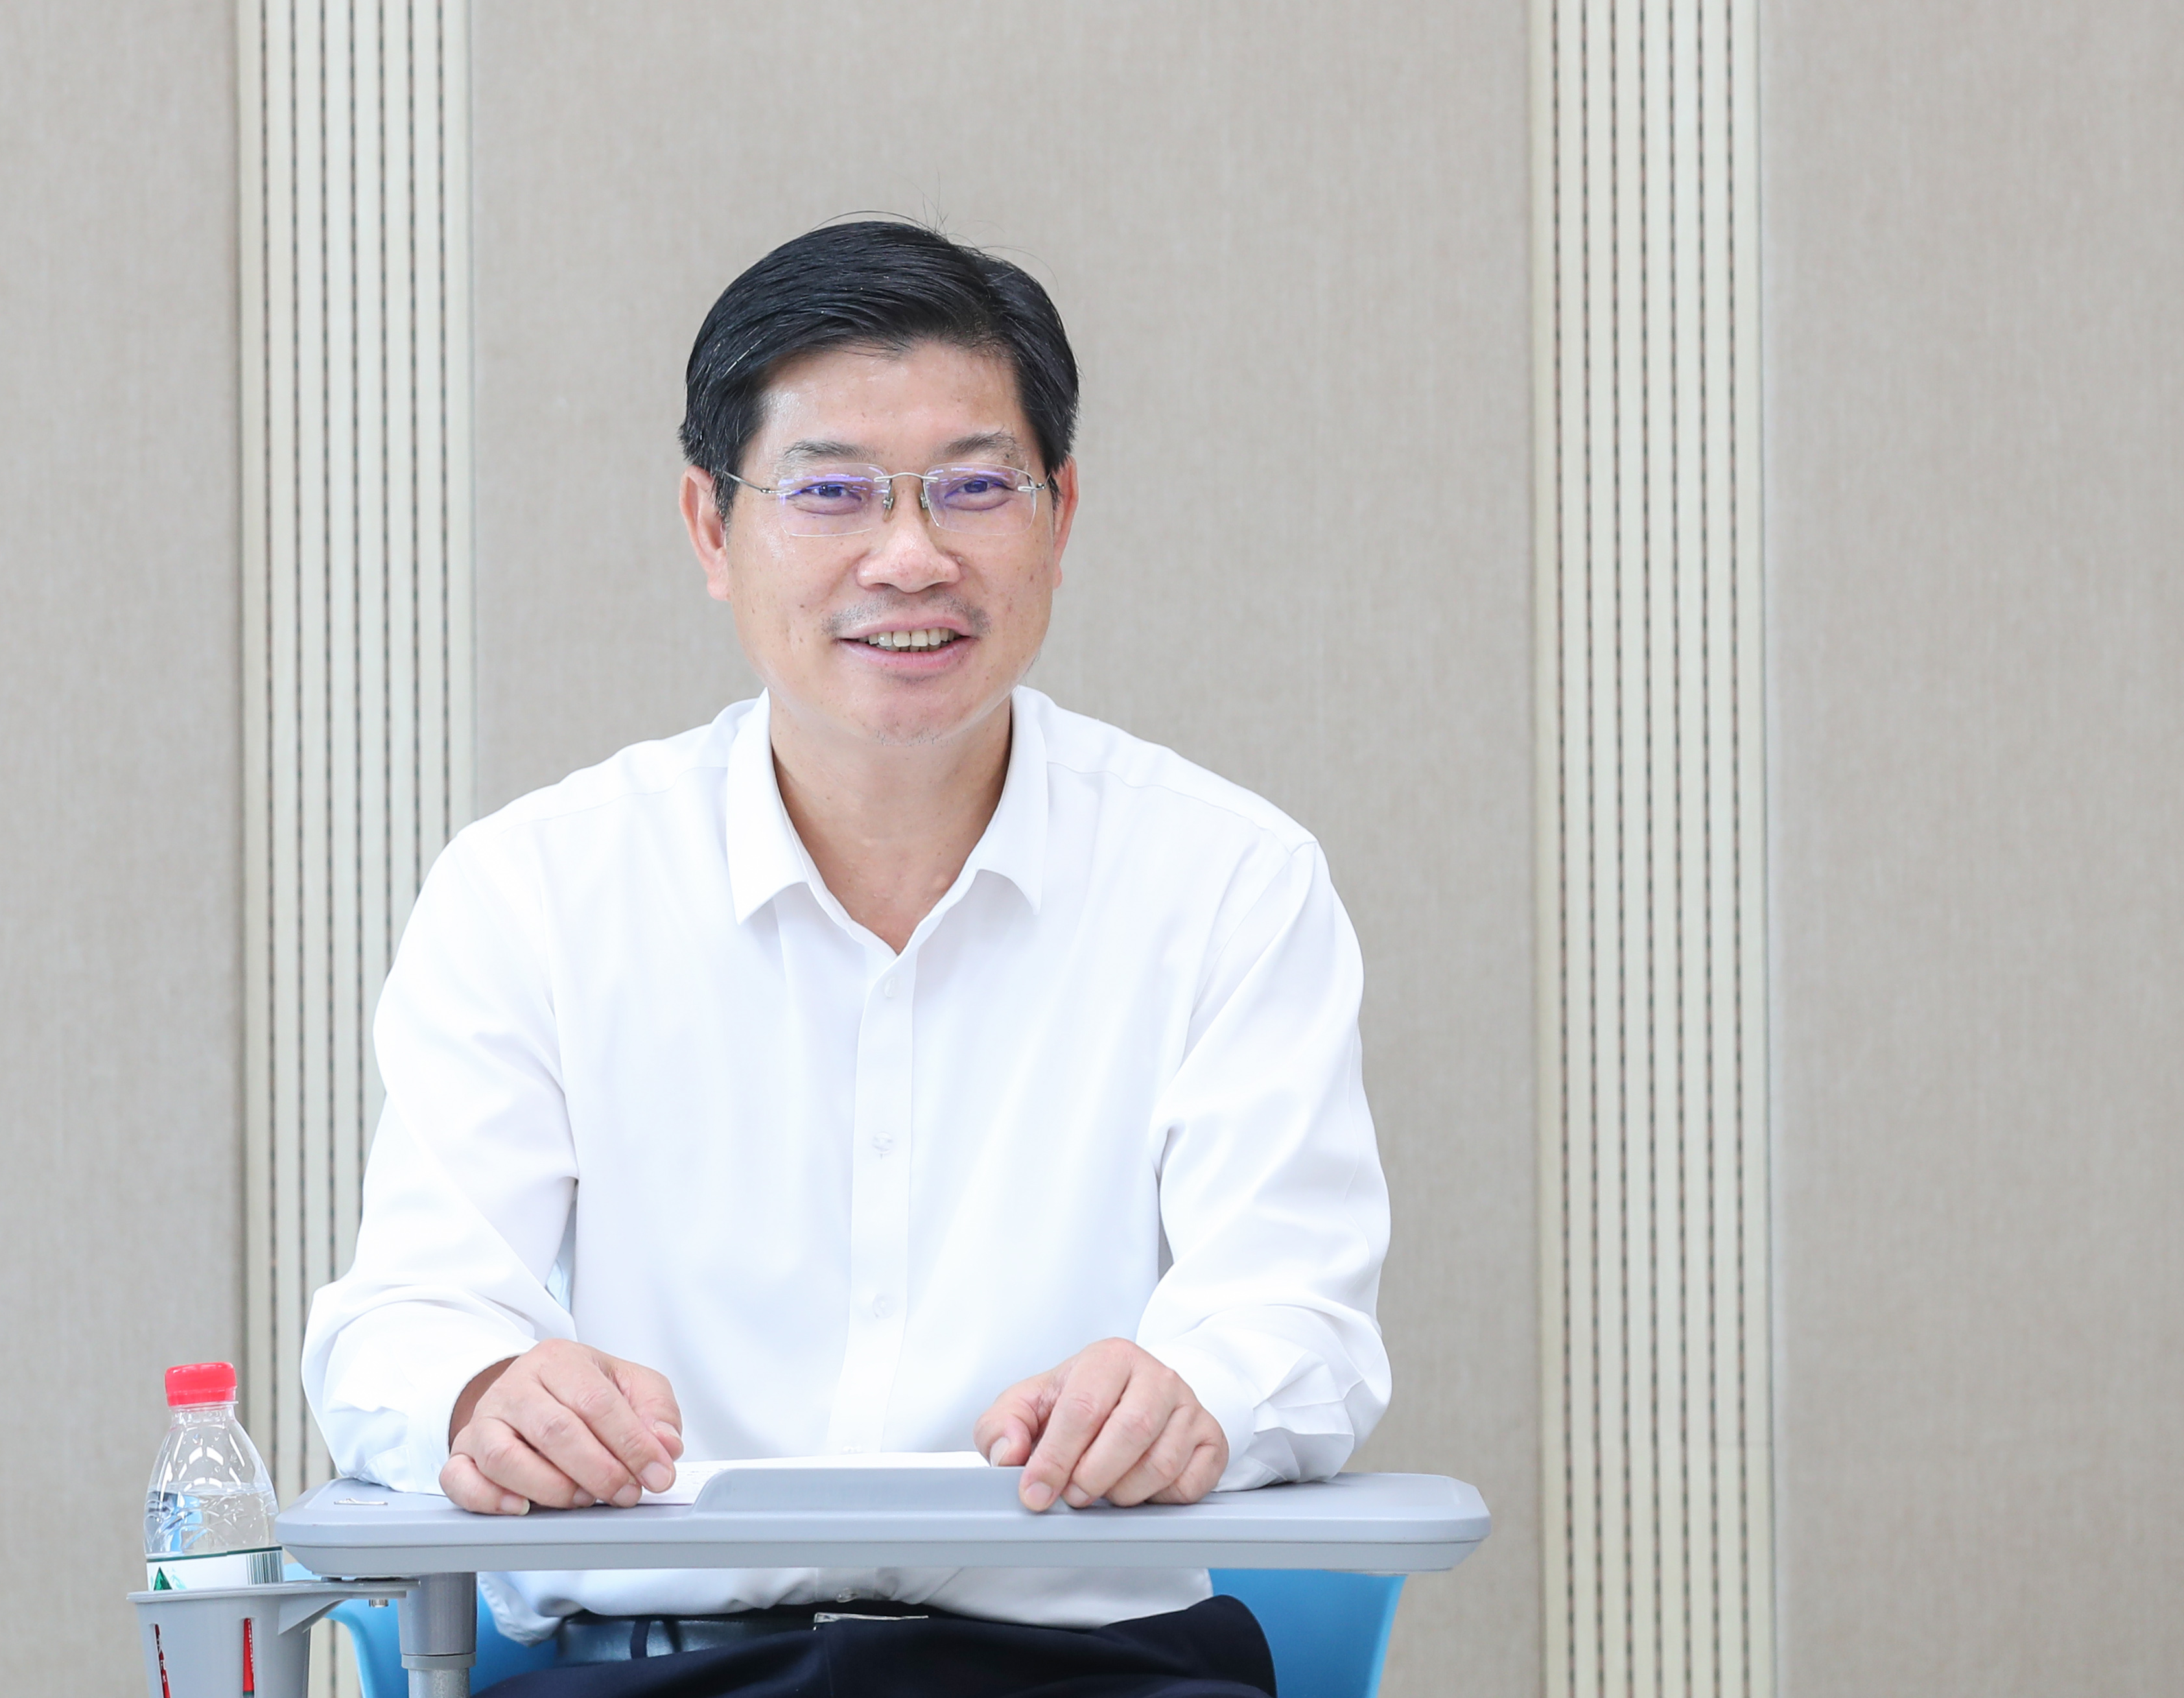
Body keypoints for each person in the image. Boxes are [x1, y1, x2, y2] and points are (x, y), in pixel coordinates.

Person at [302, 219, 1391, 1697]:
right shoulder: (535, 890)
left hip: (1090, 1670)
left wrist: (1194, 1391)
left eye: (975, 486)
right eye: (830, 490)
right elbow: (405, 1321)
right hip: (651, 1672)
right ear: (710, 527)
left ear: (1060, 514)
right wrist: (488, 1391)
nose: (910, 555)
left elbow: (1298, 1317)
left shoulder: (1229, 882)